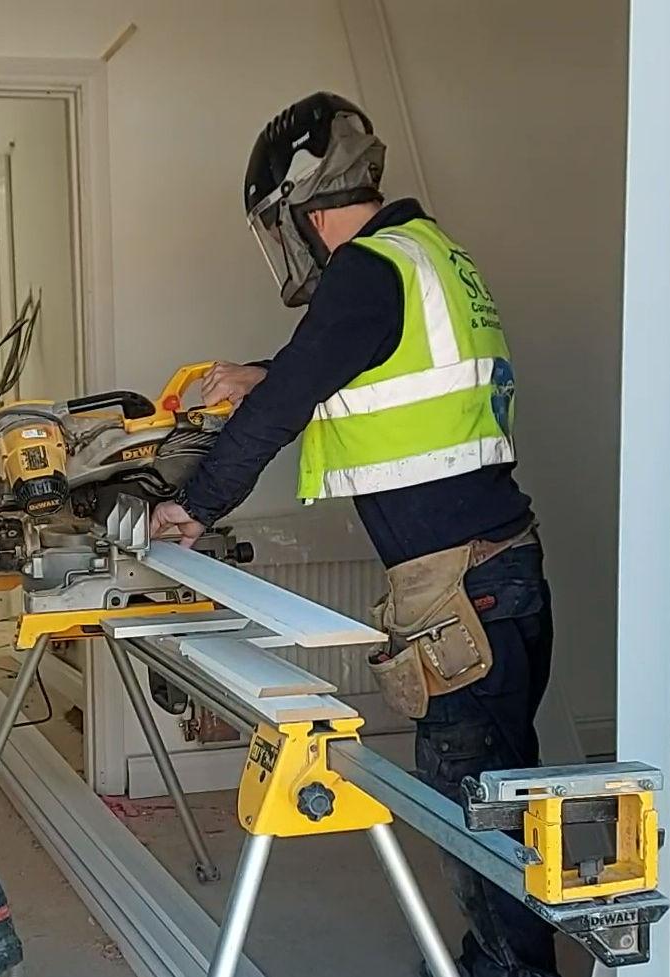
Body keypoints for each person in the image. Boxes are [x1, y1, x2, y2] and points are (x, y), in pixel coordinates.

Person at [150, 92, 557, 977]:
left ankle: (509, 971)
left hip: (458, 590)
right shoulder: (428, 253)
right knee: (500, 793)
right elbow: (369, 366)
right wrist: (262, 368)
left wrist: (192, 508)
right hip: (501, 565)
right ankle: (496, 959)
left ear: (305, 205)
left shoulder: (364, 269)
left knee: (472, 809)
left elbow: (287, 403)